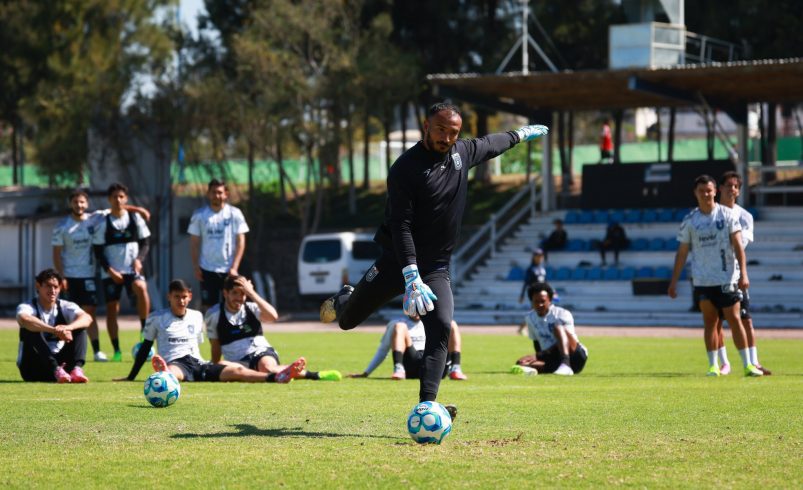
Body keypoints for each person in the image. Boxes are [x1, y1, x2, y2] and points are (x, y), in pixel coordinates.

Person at [319, 102, 548, 417]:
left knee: (440, 326)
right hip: (397, 262)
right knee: (347, 322)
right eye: (441, 130)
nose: (447, 138)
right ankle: (347, 297)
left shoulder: (461, 153)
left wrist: (520, 134)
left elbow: (491, 144)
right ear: (426, 126)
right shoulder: (404, 168)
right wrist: (411, 276)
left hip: (436, 268)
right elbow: (400, 226)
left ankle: (426, 405)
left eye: (453, 132)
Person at [118, 279, 305, 384]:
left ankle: (274, 377)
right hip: (176, 361)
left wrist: (215, 363)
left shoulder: (197, 316)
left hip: (199, 363)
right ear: (169, 297)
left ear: (189, 297)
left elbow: (205, 346)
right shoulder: (156, 318)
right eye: (176, 297)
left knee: (237, 370)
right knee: (174, 373)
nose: (181, 301)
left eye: (184, 297)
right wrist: (131, 377)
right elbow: (146, 347)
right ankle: (165, 374)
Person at [668, 174, 762, 377]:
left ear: (715, 191)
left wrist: (744, 274)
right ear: (695, 193)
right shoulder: (690, 221)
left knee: (735, 319)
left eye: (709, 190)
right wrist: (673, 281)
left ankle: (748, 365)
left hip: (726, 278)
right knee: (710, 322)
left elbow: (739, 247)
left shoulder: (727, 215)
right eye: (701, 191)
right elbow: (682, 253)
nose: (705, 194)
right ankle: (713, 366)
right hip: (702, 280)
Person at [52, 188, 150, 362]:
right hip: (69, 275)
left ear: (87, 204)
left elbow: (118, 207)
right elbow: (56, 254)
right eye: (75, 202)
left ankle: (97, 350)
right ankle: (60, 348)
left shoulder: (94, 218)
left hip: (89, 274)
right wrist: (61, 276)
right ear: (70, 204)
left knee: (89, 311)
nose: (79, 205)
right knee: (66, 313)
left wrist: (139, 209)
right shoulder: (62, 226)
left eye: (82, 202)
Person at [204, 275, 342, 381]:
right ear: (225, 293)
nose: (239, 298)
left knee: (266, 368)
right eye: (235, 293)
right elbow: (215, 345)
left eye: (243, 294)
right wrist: (216, 367)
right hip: (237, 361)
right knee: (226, 366)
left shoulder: (252, 308)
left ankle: (315, 375)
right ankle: (288, 371)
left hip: (259, 352)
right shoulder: (214, 314)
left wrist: (252, 293)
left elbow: (273, 316)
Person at [713, 171, 771, 375]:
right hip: (712, 274)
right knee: (716, 321)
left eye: (735, 186)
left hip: (734, 273)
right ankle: (724, 363)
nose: (732, 189)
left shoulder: (745, 217)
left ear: (739, 191)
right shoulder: (710, 214)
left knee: (746, 319)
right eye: (728, 185)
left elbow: (739, 245)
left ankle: (754, 362)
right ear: (720, 188)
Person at [92, 182, 151, 362]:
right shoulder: (103, 221)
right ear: (109, 199)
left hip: (132, 269)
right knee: (112, 309)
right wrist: (109, 270)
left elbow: (145, 243)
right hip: (111, 272)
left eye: (121, 196)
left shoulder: (135, 218)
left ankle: (144, 331)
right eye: (114, 197)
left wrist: (139, 260)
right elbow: (98, 250)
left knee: (141, 287)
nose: (118, 200)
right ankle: (116, 350)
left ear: (126, 198)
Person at [16, 269, 93, 382]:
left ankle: (76, 369)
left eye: (56, 287)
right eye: (48, 286)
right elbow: (25, 319)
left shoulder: (65, 306)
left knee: (80, 329)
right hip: (33, 369)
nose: (52, 290)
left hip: (63, 368)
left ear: (60, 288)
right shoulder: (27, 306)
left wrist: (68, 328)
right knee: (29, 329)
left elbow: (87, 318)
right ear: (38, 286)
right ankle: (55, 369)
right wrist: (54, 330)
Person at [188, 179, 250, 311]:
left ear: (226, 194)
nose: (216, 195)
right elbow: (194, 242)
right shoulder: (199, 215)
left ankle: (228, 326)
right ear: (208, 194)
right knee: (209, 307)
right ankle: (212, 326)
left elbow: (241, 241)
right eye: (213, 192)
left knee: (231, 304)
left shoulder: (235, 214)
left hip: (228, 268)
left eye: (220, 192)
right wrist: (196, 266)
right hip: (207, 268)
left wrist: (235, 267)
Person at [349, 315, 467, 381]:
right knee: (400, 326)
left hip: (434, 363)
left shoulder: (434, 320)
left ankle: (455, 369)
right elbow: (383, 350)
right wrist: (366, 373)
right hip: (411, 363)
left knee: (451, 324)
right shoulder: (397, 322)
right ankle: (398, 369)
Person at [511, 282, 588, 375]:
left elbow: (568, 340)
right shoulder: (530, 318)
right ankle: (552, 368)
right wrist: (538, 358)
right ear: (531, 301)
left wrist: (538, 356)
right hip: (553, 358)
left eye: (542, 301)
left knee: (558, 326)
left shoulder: (562, 314)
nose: (539, 304)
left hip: (575, 356)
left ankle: (566, 365)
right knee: (521, 363)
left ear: (550, 300)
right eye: (536, 301)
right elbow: (536, 342)